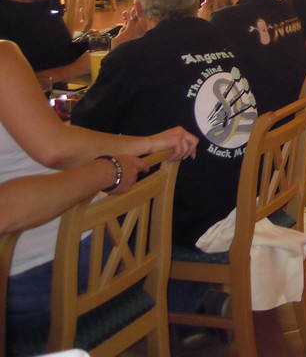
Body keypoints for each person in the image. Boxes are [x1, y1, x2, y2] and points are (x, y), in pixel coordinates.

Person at [1, 39, 197, 333]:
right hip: (62, 269)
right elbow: (55, 149)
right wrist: (135, 151)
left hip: (51, 269)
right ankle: (187, 301)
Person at [71, 0, 257, 261]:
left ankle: (152, 284)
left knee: (70, 223)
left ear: (139, 6)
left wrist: (116, 51)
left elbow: (83, 131)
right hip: (238, 197)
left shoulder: (132, 56)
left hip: (177, 216)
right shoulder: (222, 37)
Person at [197, 0, 306, 113]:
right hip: (300, 117)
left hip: (264, 124)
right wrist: (223, 12)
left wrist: (204, 25)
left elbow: (205, 76)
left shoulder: (223, 20)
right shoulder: (283, 7)